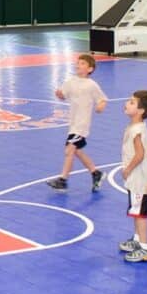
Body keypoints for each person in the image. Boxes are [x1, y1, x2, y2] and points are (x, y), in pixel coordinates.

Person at [47, 53, 106, 191]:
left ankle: (63, 180)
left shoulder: (92, 85)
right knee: (77, 151)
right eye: (78, 62)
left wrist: (100, 107)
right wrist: (59, 94)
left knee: (69, 150)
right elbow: (63, 95)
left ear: (90, 69)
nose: (78, 65)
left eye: (83, 63)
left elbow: (102, 99)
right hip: (73, 123)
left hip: (81, 124)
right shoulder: (70, 82)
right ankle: (96, 173)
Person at [118, 90, 147, 263]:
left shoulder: (137, 130)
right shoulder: (138, 127)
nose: (127, 103)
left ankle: (145, 247)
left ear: (141, 111)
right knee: (136, 211)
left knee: (140, 213)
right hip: (136, 179)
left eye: (132, 102)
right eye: (129, 100)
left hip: (138, 179)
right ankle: (137, 239)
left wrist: (128, 168)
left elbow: (141, 153)